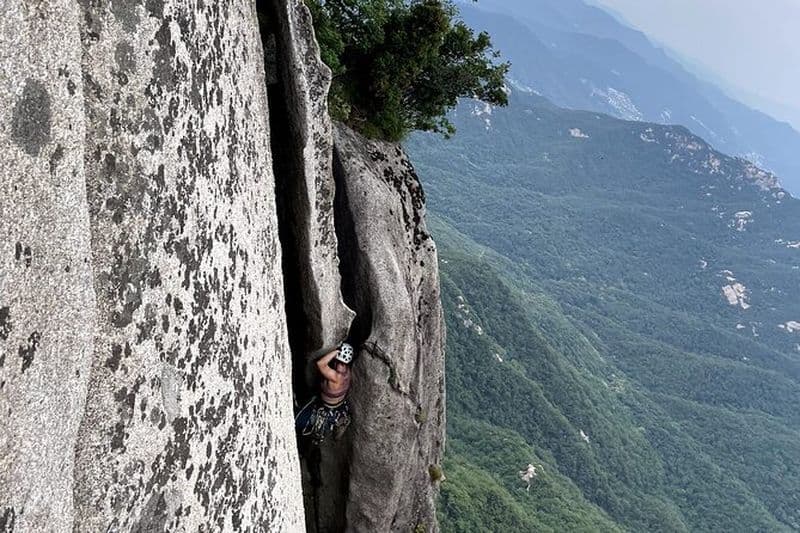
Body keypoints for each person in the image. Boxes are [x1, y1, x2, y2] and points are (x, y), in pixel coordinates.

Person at [295, 343, 354, 445]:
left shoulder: (336, 376)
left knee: (297, 420)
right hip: (337, 405)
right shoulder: (347, 371)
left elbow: (320, 364)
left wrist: (336, 351)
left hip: (325, 407)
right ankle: (339, 418)